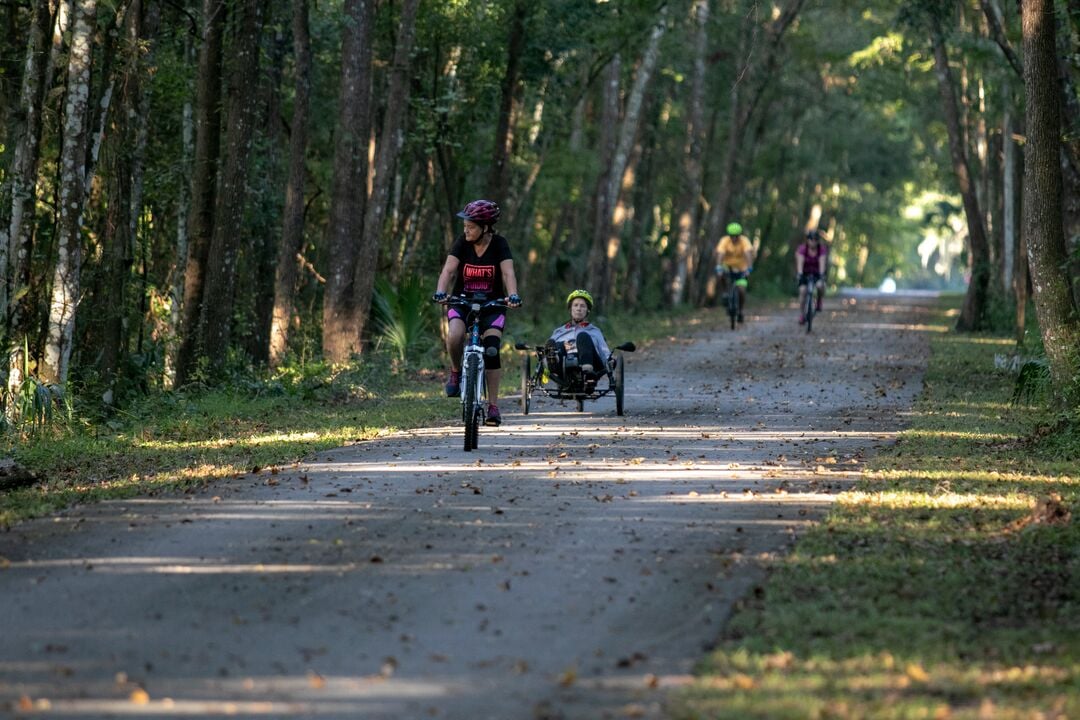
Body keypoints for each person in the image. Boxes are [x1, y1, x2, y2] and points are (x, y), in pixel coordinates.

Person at [433, 199, 521, 426]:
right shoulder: (462, 243)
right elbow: (448, 271)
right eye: (465, 226)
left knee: (491, 349)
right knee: (454, 335)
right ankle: (455, 371)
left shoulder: (500, 244)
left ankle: (493, 406)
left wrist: (512, 295)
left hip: (493, 304)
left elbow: (508, 274)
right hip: (462, 301)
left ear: (485, 227)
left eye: (470, 226)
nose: (466, 230)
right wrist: (441, 292)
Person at [545, 289, 612, 392]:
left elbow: (604, 353)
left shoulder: (594, 331)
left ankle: (587, 372)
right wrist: (562, 345)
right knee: (555, 344)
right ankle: (554, 363)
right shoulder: (559, 331)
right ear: (570, 309)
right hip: (563, 363)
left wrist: (610, 361)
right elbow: (549, 350)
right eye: (575, 305)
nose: (578, 309)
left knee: (583, 336)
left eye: (582, 306)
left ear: (587, 310)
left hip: (591, 363)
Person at [715, 222, 754, 322]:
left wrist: (749, 268)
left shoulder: (744, 241)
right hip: (727, 266)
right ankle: (724, 293)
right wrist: (718, 266)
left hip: (742, 268)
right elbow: (720, 253)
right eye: (731, 236)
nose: (734, 238)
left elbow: (748, 253)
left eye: (736, 236)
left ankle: (740, 311)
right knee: (720, 274)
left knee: (741, 290)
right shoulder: (724, 241)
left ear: (739, 235)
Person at [796, 229, 828, 324]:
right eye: (811, 239)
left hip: (817, 273)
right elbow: (799, 263)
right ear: (807, 240)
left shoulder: (821, 249)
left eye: (815, 239)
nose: (813, 241)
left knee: (820, 286)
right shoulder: (802, 249)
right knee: (802, 291)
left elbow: (822, 262)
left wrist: (822, 275)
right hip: (805, 273)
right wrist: (800, 273)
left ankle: (819, 301)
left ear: (818, 241)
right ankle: (802, 314)